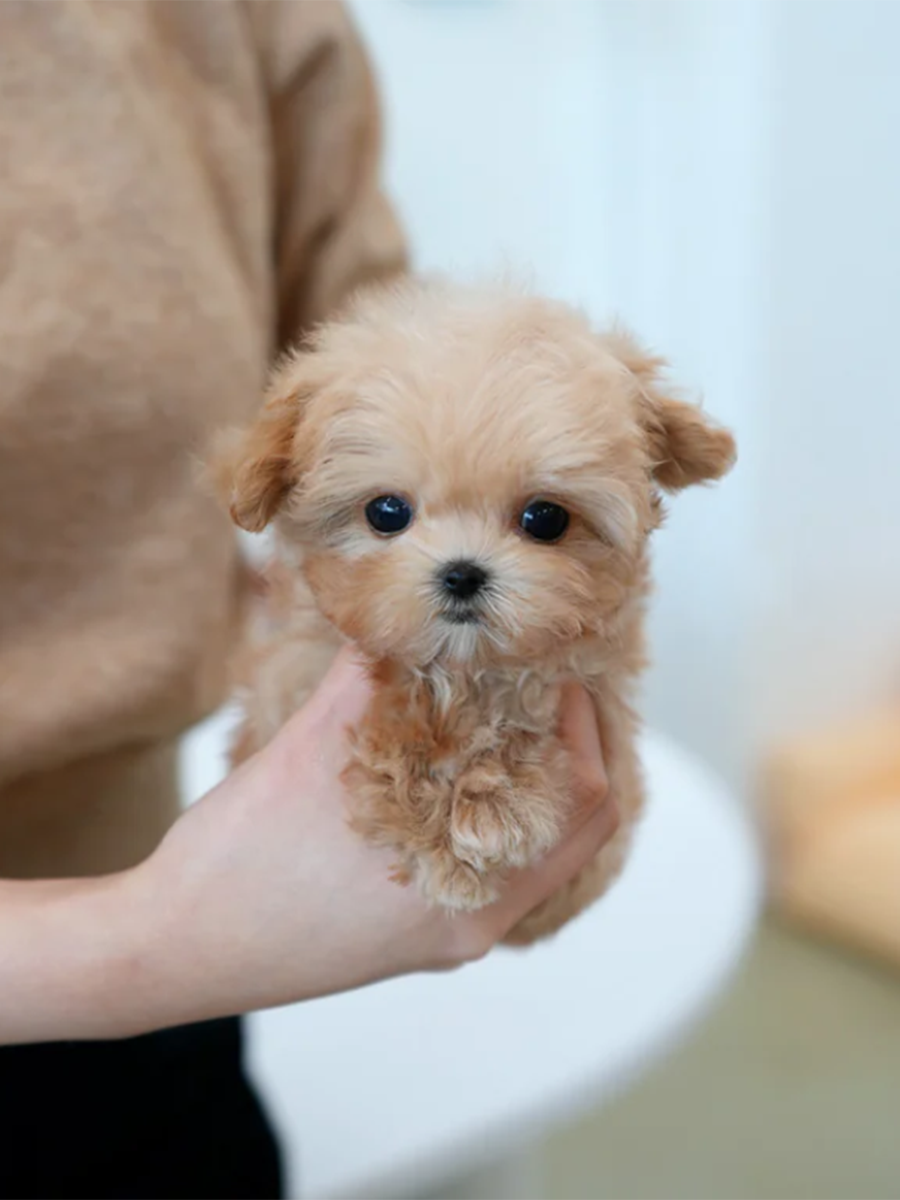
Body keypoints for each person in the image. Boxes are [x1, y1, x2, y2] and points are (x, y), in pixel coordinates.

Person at [0, 1, 616, 1196]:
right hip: (149, 939)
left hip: (148, 974)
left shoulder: (233, 20)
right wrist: (142, 940)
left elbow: (378, 348)